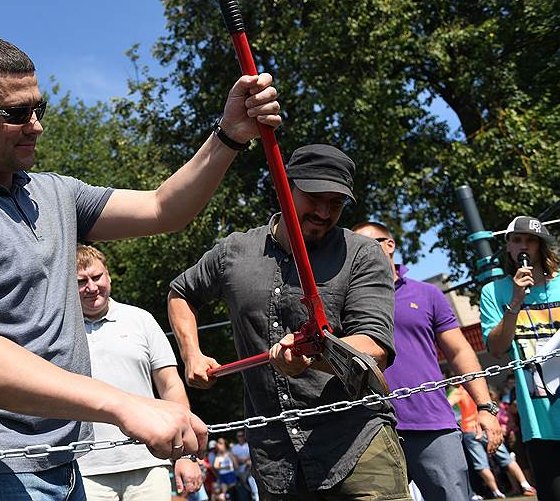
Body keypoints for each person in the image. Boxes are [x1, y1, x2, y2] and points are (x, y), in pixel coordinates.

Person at [0, 34, 281, 500]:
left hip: (65, 463)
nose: (36, 126)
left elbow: (164, 209)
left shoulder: (56, 194)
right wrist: (123, 405)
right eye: (16, 114)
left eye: (40, 108)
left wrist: (229, 135)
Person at [168, 144, 412, 500]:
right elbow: (181, 292)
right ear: (285, 186)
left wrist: (311, 357)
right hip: (274, 456)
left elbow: (373, 349)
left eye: (337, 202)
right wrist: (191, 353)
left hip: (357, 444)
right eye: (314, 197)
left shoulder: (361, 253)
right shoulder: (234, 251)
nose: (325, 211)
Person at [352, 221, 503, 501]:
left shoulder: (427, 294)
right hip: (368, 431)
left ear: (389, 245)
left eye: (368, 244)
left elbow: (460, 352)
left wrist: (486, 407)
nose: (360, 252)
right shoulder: (345, 302)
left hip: (431, 425)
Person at [75, 245, 202, 499]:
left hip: (149, 461)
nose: (91, 287)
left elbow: (170, 386)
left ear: (108, 276)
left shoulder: (140, 319)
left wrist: (186, 455)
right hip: (84, 468)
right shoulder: (61, 328)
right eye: (80, 281)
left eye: (96, 277)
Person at [481, 215, 560, 500]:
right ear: (509, 247)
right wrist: (515, 301)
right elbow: (497, 348)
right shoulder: (494, 291)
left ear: (541, 246)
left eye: (530, 240)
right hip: (540, 422)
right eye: (517, 240)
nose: (524, 245)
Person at [449, 385, 536, 498]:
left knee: (481, 464)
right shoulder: (479, 388)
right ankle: (526, 485)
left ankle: (497, 492)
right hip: (487, 425)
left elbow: (447, 404)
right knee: (506, 458)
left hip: (470, 430)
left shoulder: (459, 392)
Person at [231, 429, 259, 501]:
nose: (240, 437)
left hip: (249, 471)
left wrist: (241, 460)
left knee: (254, 489)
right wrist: (245, 459)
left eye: (242, 435)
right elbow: (234, 460)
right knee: (243, 493)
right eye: (239, 436)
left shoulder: (248, 446)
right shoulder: (234, 448)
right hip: (239, 473)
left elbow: (252, 456)